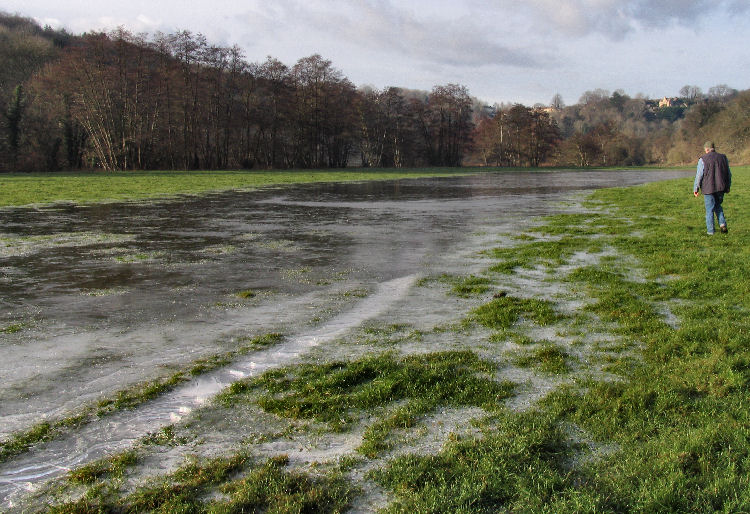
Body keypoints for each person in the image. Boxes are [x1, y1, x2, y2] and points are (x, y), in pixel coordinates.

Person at [694, 141, 731, 235]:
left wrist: (696, 189)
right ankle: (722, 224)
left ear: (706, 149)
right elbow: (728, 174)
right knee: (718, 206)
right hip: (721, 187)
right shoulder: (723, 157)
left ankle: (711, 231)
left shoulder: (702, 159)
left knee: (709, 209)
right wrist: (728, 186)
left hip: (708, 188)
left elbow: (699, 176)